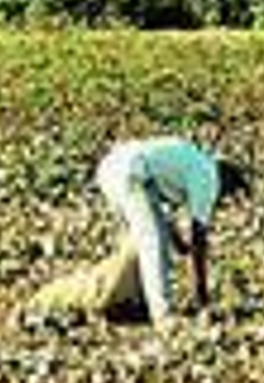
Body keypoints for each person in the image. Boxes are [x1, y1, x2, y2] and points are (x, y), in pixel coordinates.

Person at [95, 135, 250, 329]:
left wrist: (178, 243)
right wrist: (201, 295)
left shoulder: (191, 162)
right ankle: (162, 314)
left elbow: (160, 212)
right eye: (228, 195)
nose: (221, 202)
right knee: (154, 243)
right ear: (226, 180)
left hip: (111, 168)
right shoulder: (209, 176)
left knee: (137, 244)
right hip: (131, 172)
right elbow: (199, 238)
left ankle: (129, 299)